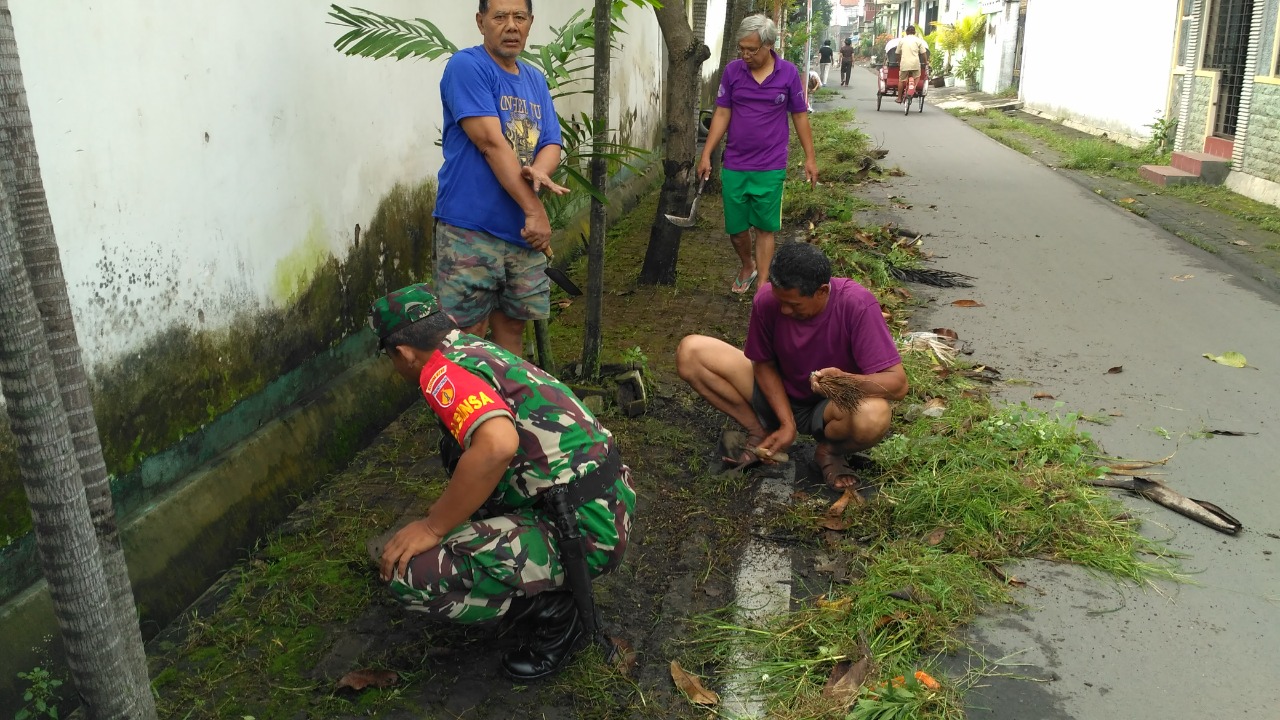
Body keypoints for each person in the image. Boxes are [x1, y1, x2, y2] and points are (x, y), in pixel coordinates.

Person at [369, 283, 636, 680]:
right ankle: (531, 574)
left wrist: (433, 526)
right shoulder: (472, 349)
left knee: (411, 576)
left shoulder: (440, 372)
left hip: (584, 529)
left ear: (403, 353)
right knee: (457, 455)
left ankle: (562, 616)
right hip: (601, 500)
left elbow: (496, 446)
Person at [675, 242, 908, 491]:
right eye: (780, 301)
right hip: (777, 391)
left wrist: (844, 381)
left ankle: (829, 452)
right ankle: (759, 431)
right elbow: (762, 363)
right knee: (690, 353)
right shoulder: (767, 300)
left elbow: (898, 384)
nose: (784, 310)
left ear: (822, 291)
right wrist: (787, 424)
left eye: (795, 305)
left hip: (829, 406)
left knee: (874, 415)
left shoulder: (857, 305)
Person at [433, 0, 571, 357]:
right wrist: (535, 210)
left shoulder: (534, 79)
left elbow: (552, 141)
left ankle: (509, 410)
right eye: (500, 17)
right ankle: (469, 411)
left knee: (512, 329)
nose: (511, 26)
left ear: (530, 23)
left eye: (519, 17)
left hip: (520, 235)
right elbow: (490, 143)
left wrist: (541, 168)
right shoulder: (467, 67)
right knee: (467, 336)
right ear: (481, 22)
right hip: (472, 229)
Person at [698, 15, 818, 295]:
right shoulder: (732, 72)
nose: (745, 55)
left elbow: (799, 116)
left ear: (768, 46)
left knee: (765, 228)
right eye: (742, 49)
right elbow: (722, 113)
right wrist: (706, 154)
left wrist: (810, 158)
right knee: (736, 228)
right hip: (736, 163)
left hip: (771, 165)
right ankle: (747, 265)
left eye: (752, 50)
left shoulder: (788, 73)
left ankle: (763, 285)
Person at [895, 26, 930, 104]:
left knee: (901, 80)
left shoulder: (902, 40)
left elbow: (897, 53)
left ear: (907, 32)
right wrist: (926, 62)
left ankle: (899, 98)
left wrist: (899, 61)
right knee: (917, 76)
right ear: (914, 32)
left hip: (904, 64)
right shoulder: (918, 41)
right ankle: (913, 88)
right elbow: (923, 53)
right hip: (915, 64)